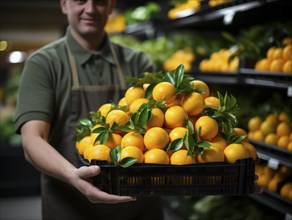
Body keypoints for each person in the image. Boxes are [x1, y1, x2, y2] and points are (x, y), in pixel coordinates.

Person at [14, 0, 164, 219]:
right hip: (70, 207)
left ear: (111, 6)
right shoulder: (43, 64)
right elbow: (32, 140)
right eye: (80, 1)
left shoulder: (138, 62)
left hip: (137, 208)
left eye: (100, 2)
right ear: (64, 4)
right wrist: (72, 175)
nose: (91, 9)